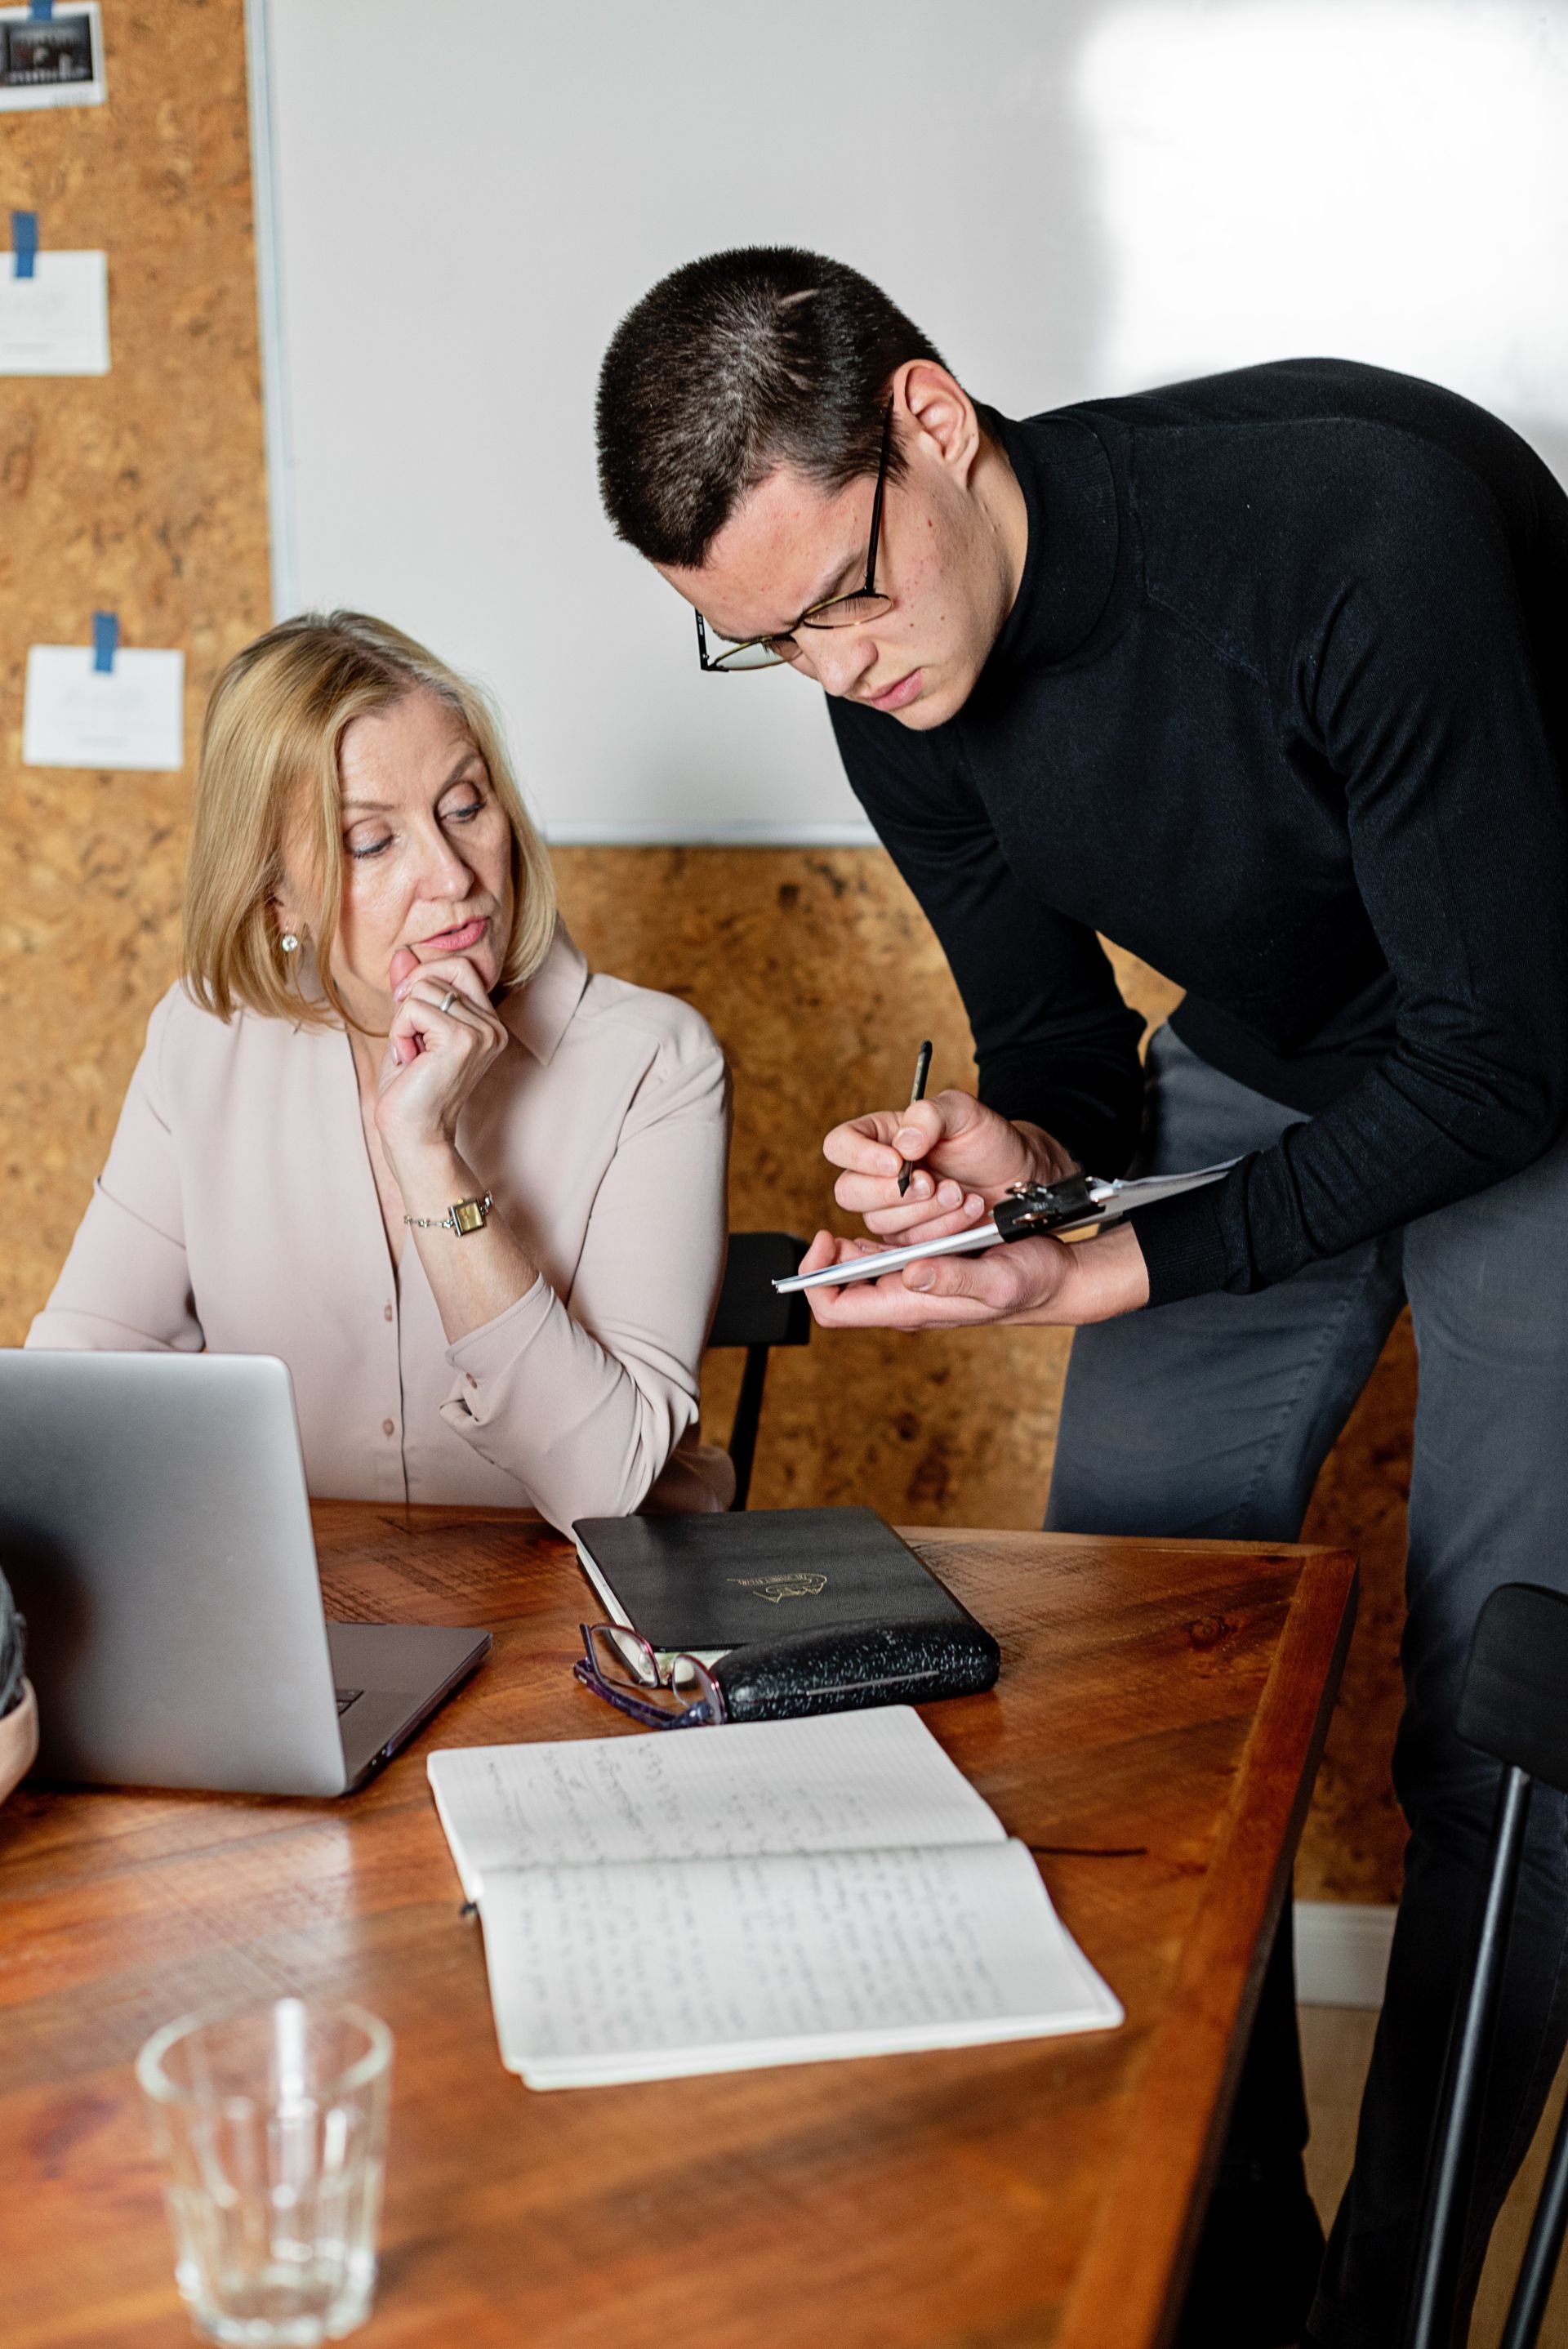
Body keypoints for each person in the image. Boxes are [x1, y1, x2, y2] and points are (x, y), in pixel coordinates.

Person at [595, 247, 1568, 2349]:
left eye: (845, 593)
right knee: (1123, 1657)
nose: (833, 666)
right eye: (757, 641)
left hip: (1544, 1046)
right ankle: (1223, 2269)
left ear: (932, 425)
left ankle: (1390, 2314)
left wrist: (1123, 1252)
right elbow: (1055, 1042)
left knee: (1503, 1724)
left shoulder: (1343, 533)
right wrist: (1012, 1162)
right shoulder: (888, 687)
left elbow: (1493, 1053)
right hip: (1292, 1034)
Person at [28, 611, 733, 1530]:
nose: (452, 875)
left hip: (587, 1621)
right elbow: (83, 1377)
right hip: (313, 1612)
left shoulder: (656, 1062)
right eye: (373, 841)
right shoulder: (205, 1037)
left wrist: (427, 1152)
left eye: (466, 807)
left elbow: (605, 1486)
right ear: (276, 889)